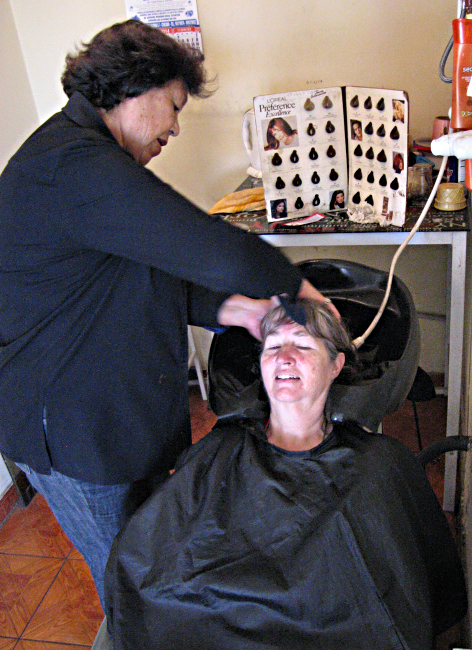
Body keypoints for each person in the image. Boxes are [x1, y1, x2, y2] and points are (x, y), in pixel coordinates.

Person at [0, 20, 336, 608]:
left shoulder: (97, 169)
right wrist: (299, 290)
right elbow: (202, 243)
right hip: (73, 431)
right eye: (174, 107)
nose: (176, 129)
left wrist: (245, 312)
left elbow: (144, 277)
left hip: (117, 413)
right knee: (131, 583)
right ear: (135, 85)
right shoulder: (71, 164)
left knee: (159, 560)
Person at [106, 301, 467, 650]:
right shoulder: (219, 452)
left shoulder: (380, 463)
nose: (283, 357)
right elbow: (143, 567)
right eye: (274, 345)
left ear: (335, 365)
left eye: (304, 345)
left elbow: (408, 595)